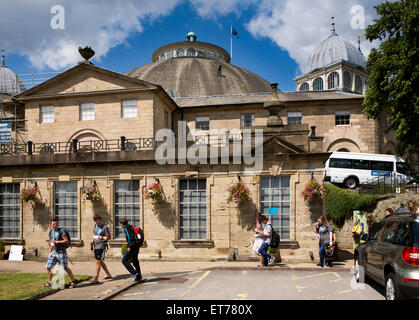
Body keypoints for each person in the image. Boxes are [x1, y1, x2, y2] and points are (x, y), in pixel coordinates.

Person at [44, 217, 79, 288]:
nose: (55, 225)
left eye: (56, 224)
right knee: (48, 266)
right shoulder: (51, 232)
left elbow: (66, 240)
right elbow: (52, 242)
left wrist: (57, 242)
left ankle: (73, 280)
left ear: (58, 224)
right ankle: (50, 282)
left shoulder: (61, 231)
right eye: (53, 224)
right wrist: (50, 252)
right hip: (53, 252)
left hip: (61, 252)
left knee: (64, 267)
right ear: (51, 224)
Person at [90, 215, 112, 284]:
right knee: (100, 261)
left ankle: (96, 278)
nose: (98, 221)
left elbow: (109, 237)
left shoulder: (105, 227)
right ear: (95, 221)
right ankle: (108, 274)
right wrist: (92, 240)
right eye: (97, 220)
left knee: (97, 262)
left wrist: (102, 238)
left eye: (99, 220)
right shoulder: (95, 226)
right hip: (96, 245)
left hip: (101, 246)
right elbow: (94, 235)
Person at [119, 218, 142, 282]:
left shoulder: (126, 228)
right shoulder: (131, 226)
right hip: (136, 246)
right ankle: (139, 277)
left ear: (122, 224)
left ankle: (134, 273)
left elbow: (130, 237)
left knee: (124, 260)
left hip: (132, 246)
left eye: (120, 224)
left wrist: (129, 246)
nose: (121, 225)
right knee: (135, 261)